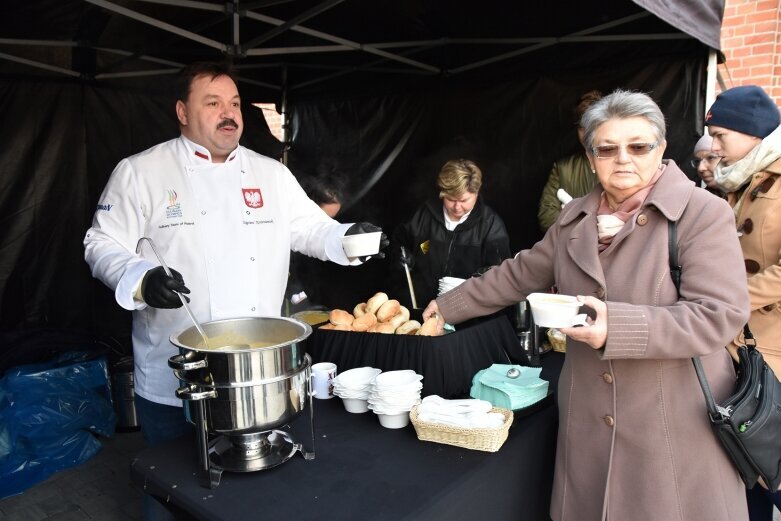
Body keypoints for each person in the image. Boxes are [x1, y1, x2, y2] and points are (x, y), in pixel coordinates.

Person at [424, 90, 750, 521]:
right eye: (607, 148)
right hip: (588, 424)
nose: (623, 160)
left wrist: (615, 326)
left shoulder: (701, 214)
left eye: (638, 146)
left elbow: (719, 315)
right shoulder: (573, 217)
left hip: (669, 422)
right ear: (590, 155)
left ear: (662, 149)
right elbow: (520, 273)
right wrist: (448, 305)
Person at [83, 62, 385, 520]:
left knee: (245, 500)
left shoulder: (270, 173)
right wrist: (140, 277)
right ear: (182, 111)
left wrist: (347, 239)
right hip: (176, 376)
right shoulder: (141, 171)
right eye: (213, 103)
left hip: (254, 374)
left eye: (235, 104)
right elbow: (101, 242)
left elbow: (310, 229)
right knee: (169, 492)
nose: (229, 114)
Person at [705, 84, 781, 521]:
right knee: (744, 470)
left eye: (721, 136)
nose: (713, 147)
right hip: (739, 345)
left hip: (771, 347)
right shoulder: (743, 180)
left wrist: (728, 300)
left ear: (753, 133)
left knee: (770, 469)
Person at [390, 158, 511, 309]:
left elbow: (500, 272)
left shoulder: (490, 225)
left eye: (464, 200)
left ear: (477, 192)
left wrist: (478, 278)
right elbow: (399, 242)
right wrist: (400, 255)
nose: (457, 207)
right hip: (421, 308)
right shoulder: (423, 215)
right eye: (450, 199)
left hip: (467, 313)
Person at [537, 90, 603, 230]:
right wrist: (581, 225)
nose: (586, 135)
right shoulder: (563, 168)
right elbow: (546, 217)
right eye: (581, 128)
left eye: (592, 128)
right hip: (572, 248)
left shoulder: (621, 163)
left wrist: (569, 216)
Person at [284, 169, 347, 313]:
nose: (327, 224)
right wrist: (299, 297)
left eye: (332, 219)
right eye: (323, 219)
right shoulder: (292, 223)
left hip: (319, 290)